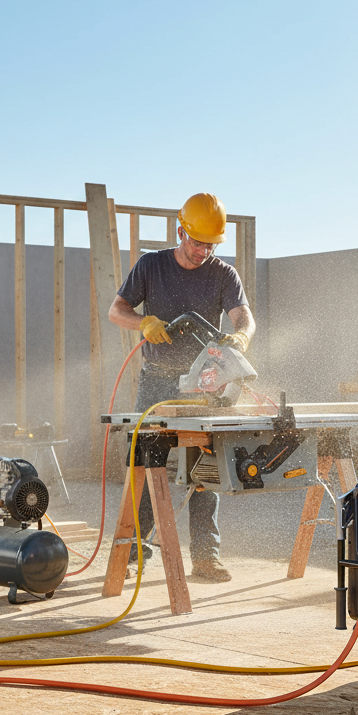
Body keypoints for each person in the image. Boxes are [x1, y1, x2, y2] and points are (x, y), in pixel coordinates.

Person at [108, 192, 256, 583]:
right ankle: (133, 550)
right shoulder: (151, 265)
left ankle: (206, 557)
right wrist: (143, 323)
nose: (202, 251)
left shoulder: (223, 274)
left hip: (203, 382)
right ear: (180, 232)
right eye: (197, 242)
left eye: (210, 245)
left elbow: (244, 317)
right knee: (145, 465)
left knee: (207, 469)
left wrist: (241, 336)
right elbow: (116, 311)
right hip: (156, 379)